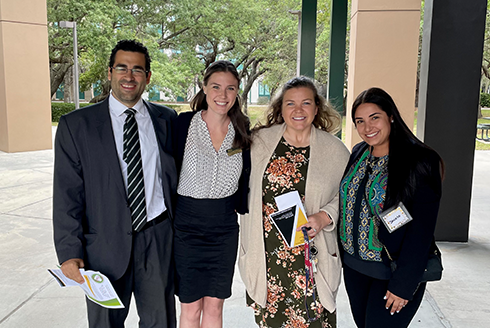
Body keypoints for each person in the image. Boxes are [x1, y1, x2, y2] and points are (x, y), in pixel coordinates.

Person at [53, 39, 177, 328]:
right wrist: (70, 252)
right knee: (104, 324)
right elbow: (66, 194)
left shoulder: (167, 119)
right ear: (109, 72)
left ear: (148, 77)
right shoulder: (77, 126)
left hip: (156, 240)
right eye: (122, 67)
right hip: (103, 245)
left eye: (137, 69)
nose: (129, 76)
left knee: (161, 322)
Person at [239, 76, 350, 328]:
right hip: (268, 256)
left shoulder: (336, 151)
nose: (298, 110)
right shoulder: (259, 143)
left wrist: (325, 217)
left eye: (306, 103)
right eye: (290, 103)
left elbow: (348, 196)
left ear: (317, 108)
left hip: (312, 256)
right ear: (280, 108)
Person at [339, 87, 443, 328]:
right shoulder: (359, 153)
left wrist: (403, 285)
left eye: (375, 117)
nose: (367, 128)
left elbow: (422, 232)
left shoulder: (419, 161)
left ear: (391, 117)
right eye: (359, 121)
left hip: (392, 271)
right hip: (355, 269)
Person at [172, 60, 252, 328]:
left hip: (224, 228)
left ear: (237, 92)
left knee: (215, 307)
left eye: (231, 88)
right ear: (204, 87)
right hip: (186, 228)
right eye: (216, 86)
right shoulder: (183, 125)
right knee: (191, 308)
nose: (223, 94)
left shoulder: (242, 129)